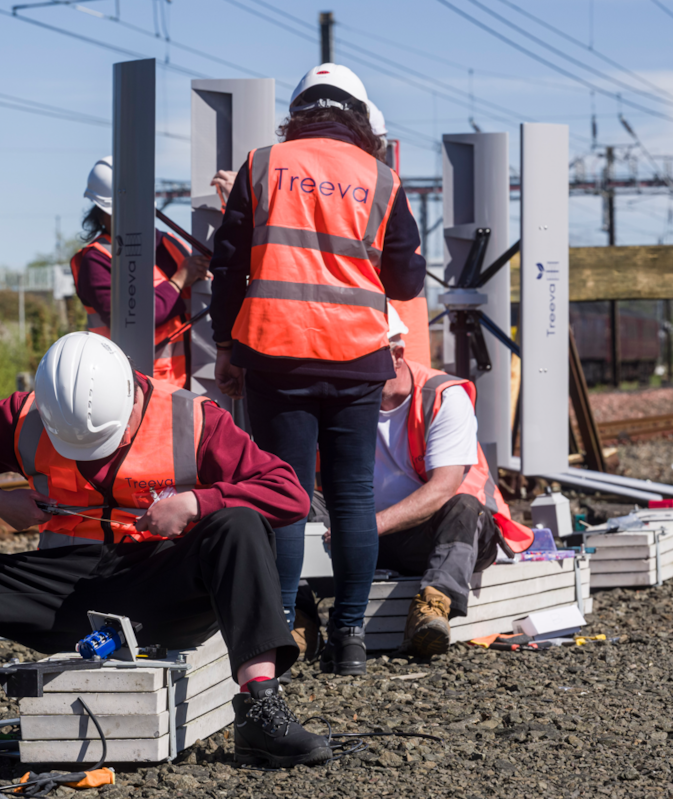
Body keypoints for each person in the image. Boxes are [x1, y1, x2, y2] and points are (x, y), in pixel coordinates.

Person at [0, 332, 332, 773]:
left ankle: (260, 710)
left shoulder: (193, 420)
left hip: (163, 590)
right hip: (63, 591)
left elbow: (288, 491)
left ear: (134, 395)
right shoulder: (25, 416)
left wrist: (197, 502)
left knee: (238, 523)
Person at [207, 63, 427, 677]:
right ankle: (350, 639)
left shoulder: (259, 165)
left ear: (298, 112)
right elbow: (407, 278)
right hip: (358, 356)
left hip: (276, 352)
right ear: (358, 118)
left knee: (285, 497)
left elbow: (228, 271)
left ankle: (276, 633)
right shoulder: (381, 179)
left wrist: (225, 346)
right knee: (354, 495)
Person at [374, 307, 534, 655]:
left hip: (446, 537)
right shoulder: (344, 399)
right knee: (298, 502)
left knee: (464, 507)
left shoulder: (442, 396)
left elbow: (443, 489)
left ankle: (433, 609)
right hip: (376, 537)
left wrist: (369, 526)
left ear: (396, 354)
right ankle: (300, 622)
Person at [71, 157, 210, 387]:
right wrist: (179, 280)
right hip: (127, 387)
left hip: (183, 382)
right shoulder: (96, 261)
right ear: (103, 213)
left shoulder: (172, 245)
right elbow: (132, 318)